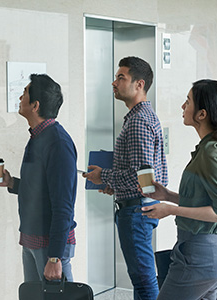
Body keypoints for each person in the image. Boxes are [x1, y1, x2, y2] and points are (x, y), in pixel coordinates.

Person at [140, 79, 217, 299]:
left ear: (202, 114)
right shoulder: (209, 147)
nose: (183, 107)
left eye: (187, 102)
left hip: (200, 258)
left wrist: (170, 209)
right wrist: (167, 195)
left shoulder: (212, 151)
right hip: (205, 253)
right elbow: (205, 201)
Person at [84, 56, 168, 300]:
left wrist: (104, 175)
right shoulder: (141, 116)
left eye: (121, 78)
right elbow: (141, 175)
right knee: (143, 278)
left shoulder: (139, 121)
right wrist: (113, 184)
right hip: (138, 206)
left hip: (136, 213)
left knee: (143, 281)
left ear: (139, 84)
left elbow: (143, 179)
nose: (114, 83)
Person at [0, 74, 77, 282]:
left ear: (35, 105)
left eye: (25, 93)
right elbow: (41, 189)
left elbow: (64, 205)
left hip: (50, 246)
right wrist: (10, 183)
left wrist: (55, 256)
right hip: (31, 239)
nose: (20, 97)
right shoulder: (37, 137)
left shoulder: (58, 143)